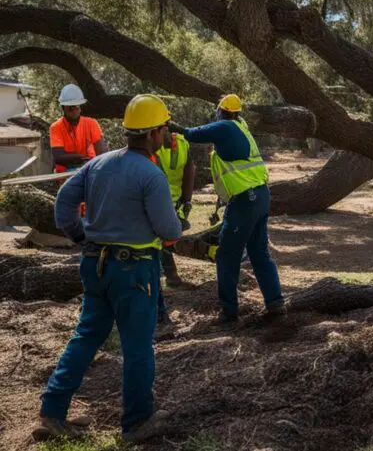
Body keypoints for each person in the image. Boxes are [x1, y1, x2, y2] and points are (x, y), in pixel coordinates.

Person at [35, 94, 181, 443]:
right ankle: (137, 422)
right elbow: (170, 231)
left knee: (87, 335)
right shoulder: (151, 174)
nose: (165, 134)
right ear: (152, 134)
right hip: (134, 272)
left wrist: (83, 238)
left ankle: (51, 412)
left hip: (94, 265)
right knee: (137, 345)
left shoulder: (97, 164)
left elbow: (63, 205)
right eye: (163, 128)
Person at [169, 94, 283, 323]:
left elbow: (193, 133)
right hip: (260, 195)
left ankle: (229, 312)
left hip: (246, 199)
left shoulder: (225, 126)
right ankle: (276, 303)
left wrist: (172, 126)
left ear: (222, 111)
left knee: (226, 254)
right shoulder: (241, 127)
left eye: (218, 111)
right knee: (259, 253)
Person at [153, 130, 195, 289]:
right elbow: (190, 170)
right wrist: (187, 199)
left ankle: (170, 277)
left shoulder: (151, 143)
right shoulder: (183, 143)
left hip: (162, 199)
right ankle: (171, 276)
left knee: (159, 239)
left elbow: (189, 169)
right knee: (163, 239)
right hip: (173, 200)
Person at [49, 84, 108, 173]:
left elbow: (102, 152)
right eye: (70, 107)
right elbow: (59, 157)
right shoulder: (56, 127)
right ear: (63, 108)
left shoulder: (91, 123)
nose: (74, 110)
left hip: (89, 168)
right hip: (65, 173)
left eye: (76, 107)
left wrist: (87, 162)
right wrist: (82, 158)